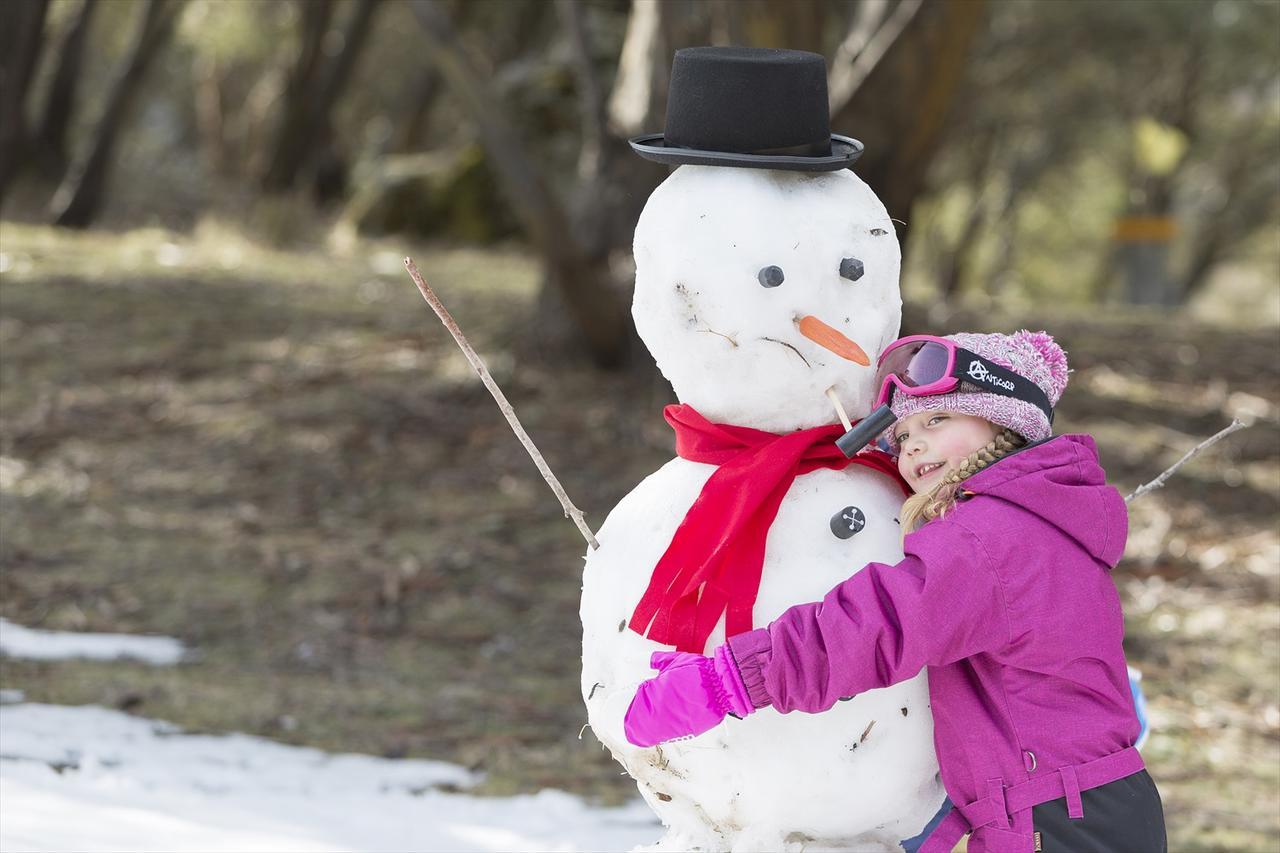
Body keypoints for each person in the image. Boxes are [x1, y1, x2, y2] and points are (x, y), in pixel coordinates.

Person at [622, 330, 1167, 853]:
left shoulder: (995, 536)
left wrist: (732, 680)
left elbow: (879, 623)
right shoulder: (1034, 521)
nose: (915, 445)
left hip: (1061, 823)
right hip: (1076, 809)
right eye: (903, 436)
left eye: (938, 418)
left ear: (1006, 425)